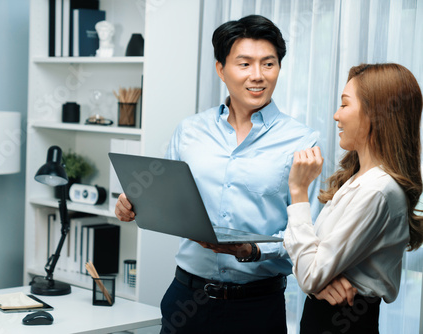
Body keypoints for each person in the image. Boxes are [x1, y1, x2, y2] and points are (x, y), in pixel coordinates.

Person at [116, 15, 321, 333]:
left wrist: (252, 250)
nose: (258, 76)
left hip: (257, 307)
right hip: (185, 298)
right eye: (244, 64)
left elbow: (310, 231)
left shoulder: (302, 142)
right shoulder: (190, 130)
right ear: (220, 69)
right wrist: (133, 203)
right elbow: (167, 199)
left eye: (268, 64)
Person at [284, 63, 423, 333]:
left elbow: (310, 273)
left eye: (345, 105)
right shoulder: (359, 180)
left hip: (342, 322)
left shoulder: (377, 191)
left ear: (376, 114)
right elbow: (310, 264)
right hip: (325, 316)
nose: (336, 115)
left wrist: (299, 192)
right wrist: (318, 280)